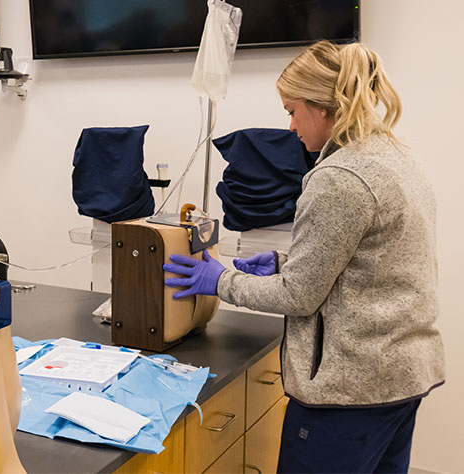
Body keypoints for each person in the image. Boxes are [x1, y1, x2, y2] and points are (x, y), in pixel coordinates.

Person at [164, 41, 445, 473]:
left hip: (348, 392)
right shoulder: (395, 157)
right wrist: (282, 262)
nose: (290, 126)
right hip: (401, 376)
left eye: (292, 110)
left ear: (324, 108)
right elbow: (377, 261)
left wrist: (218, 280)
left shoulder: (339, 176)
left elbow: (298, 298)